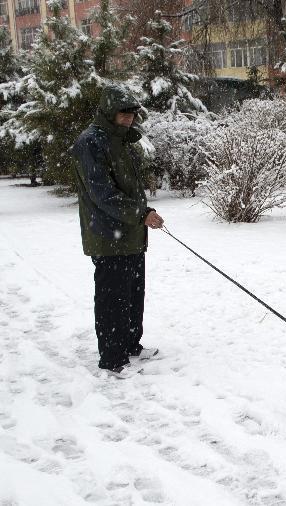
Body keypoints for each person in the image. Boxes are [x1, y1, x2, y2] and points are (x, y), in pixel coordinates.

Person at [71, 84, 165, 379]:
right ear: (109, 111)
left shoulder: (121, 141)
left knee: (134, 293)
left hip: (132, 233)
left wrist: (141, 218)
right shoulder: (90, 143)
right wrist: (142, 214)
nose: (129, 118)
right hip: (108, 235)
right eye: (124, 113)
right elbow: (102, 194)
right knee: (112, 298)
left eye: (133, 113)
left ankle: (130, 344)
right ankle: (112, 358)